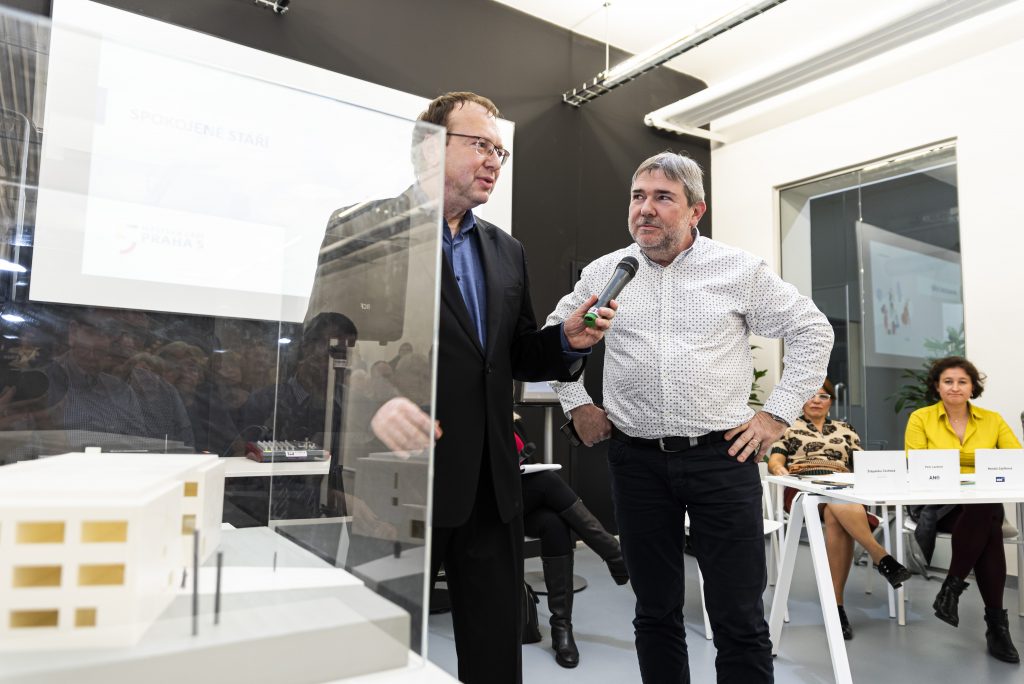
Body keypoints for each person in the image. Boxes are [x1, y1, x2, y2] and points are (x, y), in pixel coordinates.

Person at [546, 151, 833, 683]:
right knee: (654, 611)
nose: (645, 209)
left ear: (696, 210)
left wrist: (775, 416)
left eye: (663, 198)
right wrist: (576, 401)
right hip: (636, 462)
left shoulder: (738, 270)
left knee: (739, 616)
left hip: (721, 459)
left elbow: (812, 330)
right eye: (638, 196)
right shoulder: (606, 272)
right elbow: (555, 337)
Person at [365, 92, 617, 684]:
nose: (494, 161)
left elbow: (516, 353)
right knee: (378, 653)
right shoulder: (368, 230)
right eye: (481, 145)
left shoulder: (507, 251)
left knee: (496, 653)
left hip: (489, 485)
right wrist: (376, 403)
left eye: (499, 151)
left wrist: (567, 341)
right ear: (431, 147)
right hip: (399, 481)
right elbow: (323, 345)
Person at [766, 379, 911, 640]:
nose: (816, 400)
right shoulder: (789, 427)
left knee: (835, 510)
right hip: (804, 487)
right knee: (837, 504)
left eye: (823, 396)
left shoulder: (845, 429)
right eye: (811, 395)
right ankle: (880, 556)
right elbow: (775, 458)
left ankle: (837, 608)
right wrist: (779, 469)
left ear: (831, 401)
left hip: (842, 487)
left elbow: (862, 462)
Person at [904, 355, 1021, 663]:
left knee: (983, 509)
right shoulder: (921, 418)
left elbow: (1014, 458)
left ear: (972, 387)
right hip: (936, 503)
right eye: (948, 381)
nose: (955, 387)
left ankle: (952, 590)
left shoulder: (992, 419)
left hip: (979, 502)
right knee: (988, 519)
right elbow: (915, 463)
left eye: (962, 382)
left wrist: (972, 474)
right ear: (937, 386)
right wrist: (976, 467)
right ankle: (996, 626)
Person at [514, 415, 628, 668]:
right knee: (547, 481)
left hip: (520, 505)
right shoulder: (480, 421)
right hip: (492, 507)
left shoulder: (515, 422)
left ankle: (561, 628)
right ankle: (614, 554)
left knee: (555, 524)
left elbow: (526, 468)